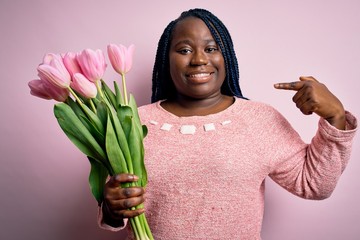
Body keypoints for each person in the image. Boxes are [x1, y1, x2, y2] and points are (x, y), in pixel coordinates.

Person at [98, 8, 357, 239]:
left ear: (227, 57)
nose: (199, 59)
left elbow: (315, 185)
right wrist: (110, 210)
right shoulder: (132, 121)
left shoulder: (259, 120)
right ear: (166, 60)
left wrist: (334, 115)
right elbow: (119, 205)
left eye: (211, 49)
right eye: (184, 50)